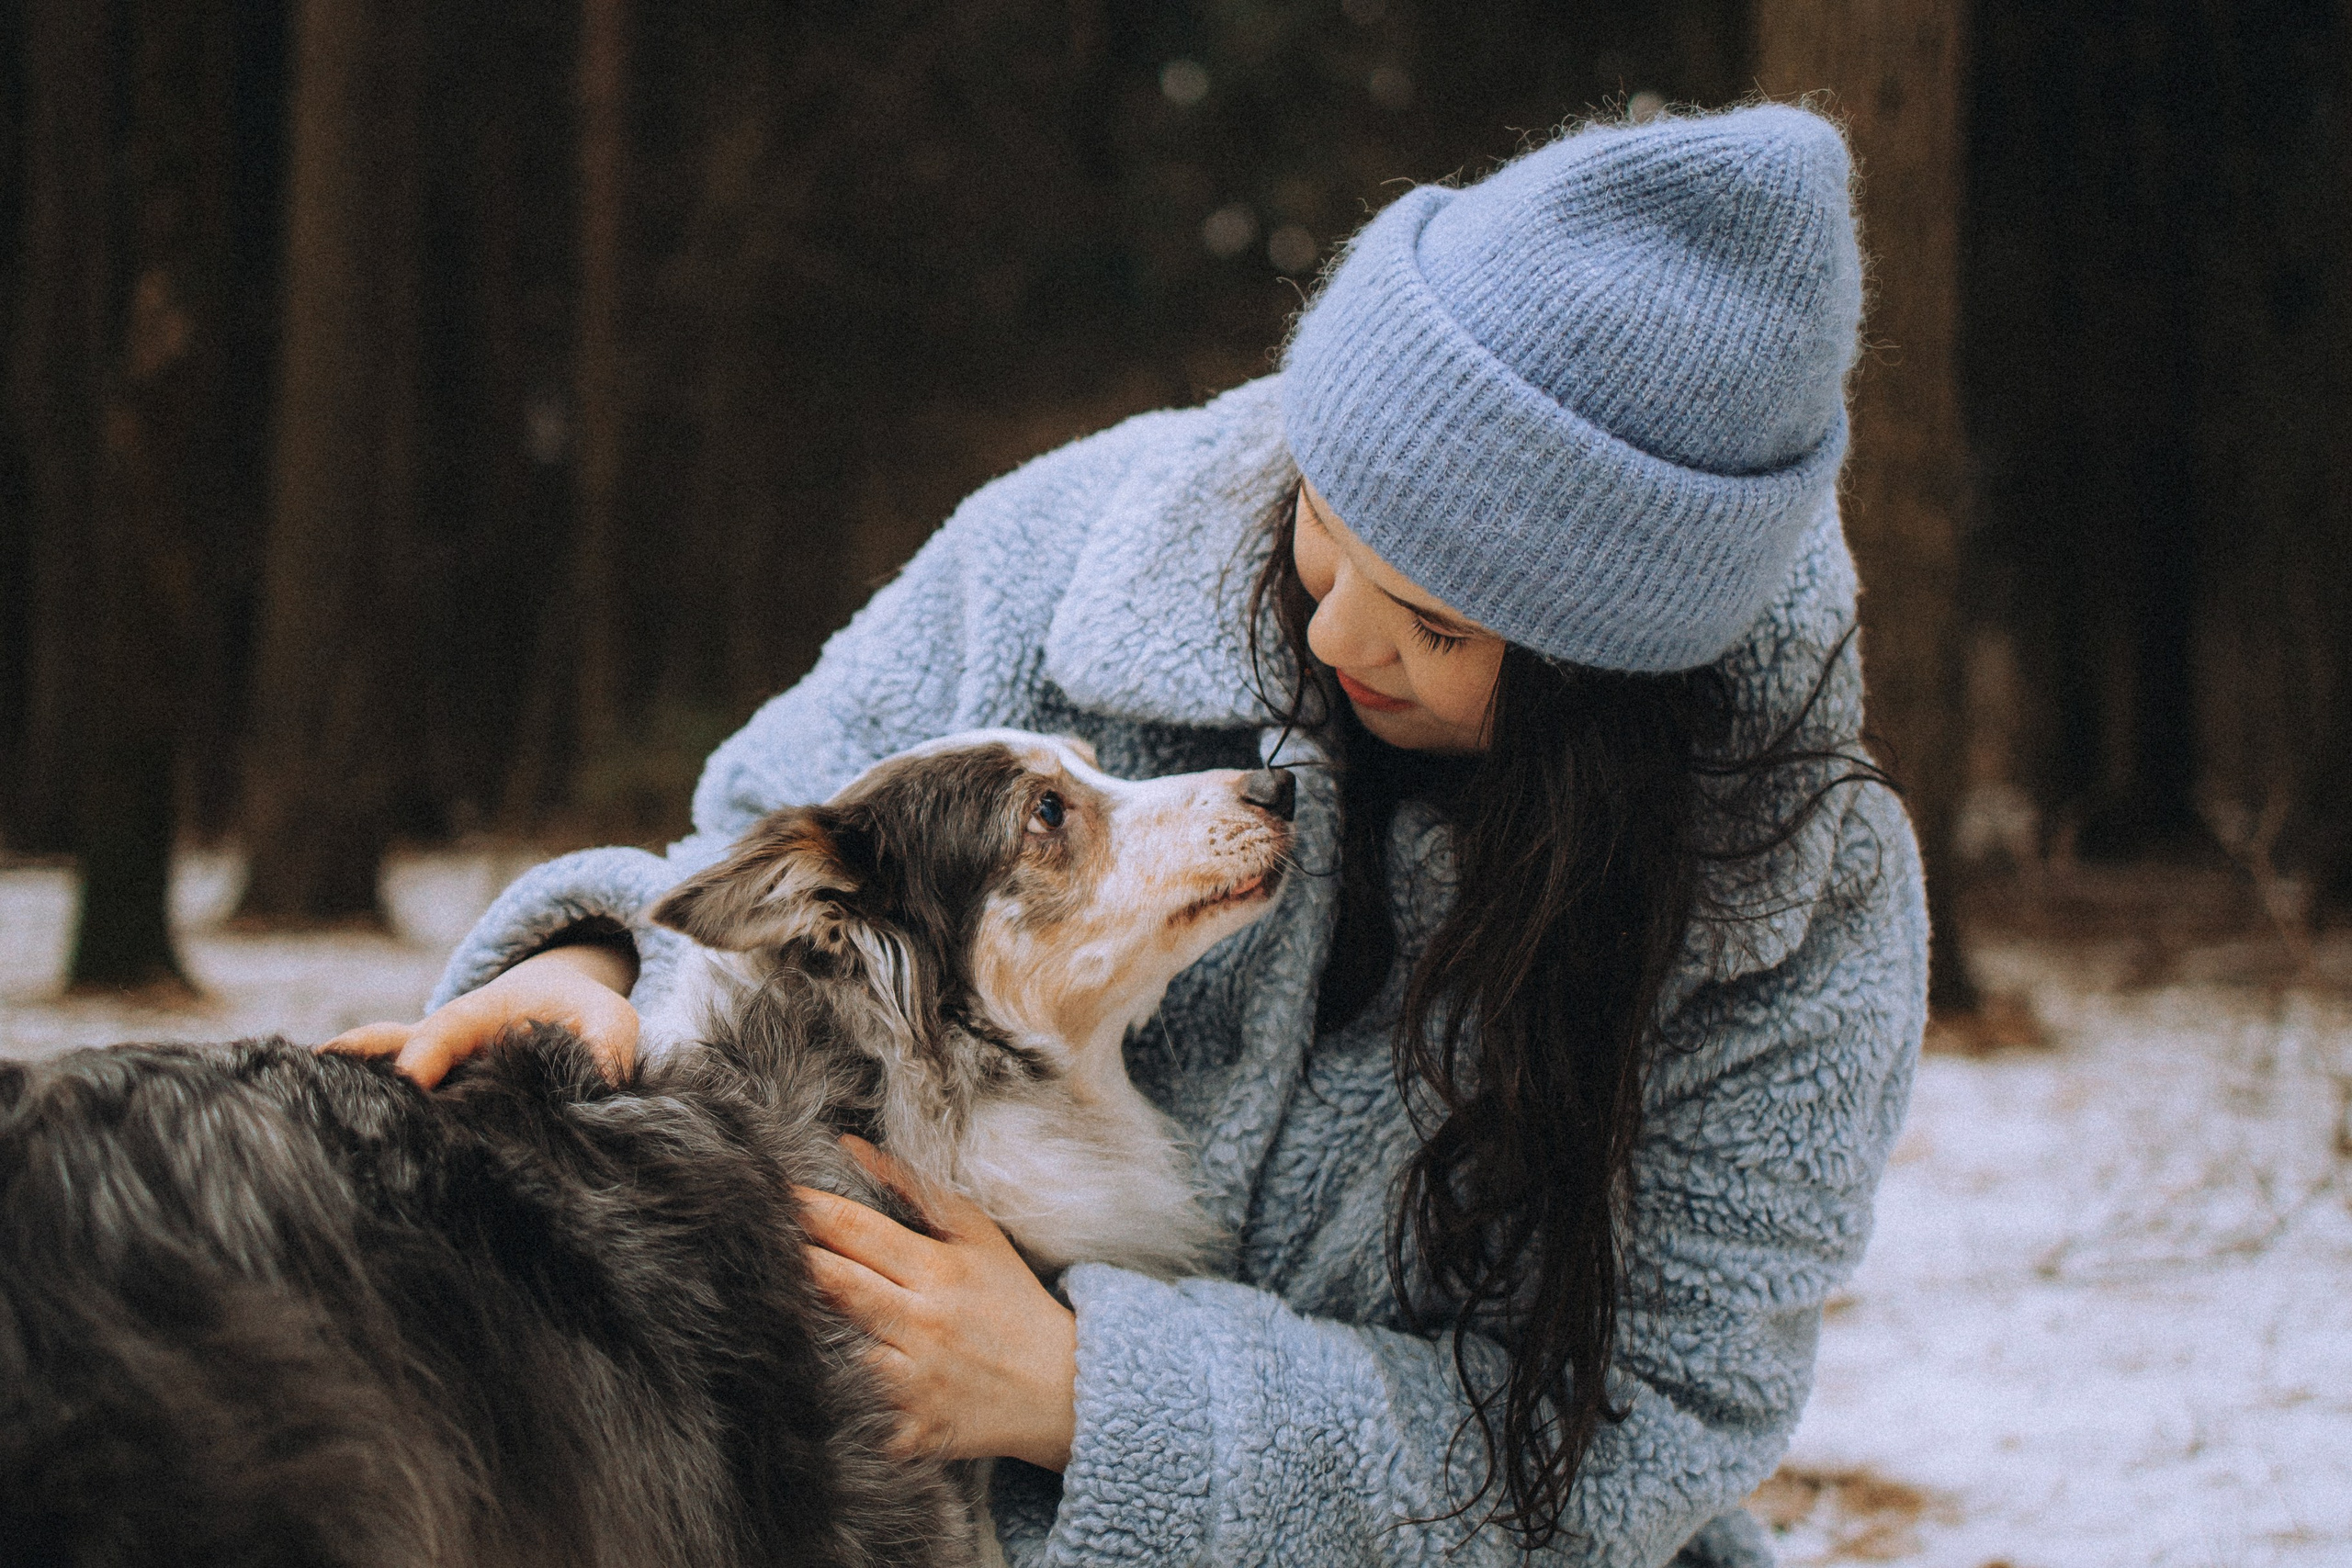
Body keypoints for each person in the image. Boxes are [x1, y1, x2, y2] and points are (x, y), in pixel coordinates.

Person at [335, 103, 1927, 1567]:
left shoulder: (1794, 918)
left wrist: (1102, 1401)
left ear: (1608, 681)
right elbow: (782, 841)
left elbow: (1643, 1437)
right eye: (1327, 519)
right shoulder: (1080, 542)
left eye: (1435, 624)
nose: (1345, 630)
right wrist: (595, 964)